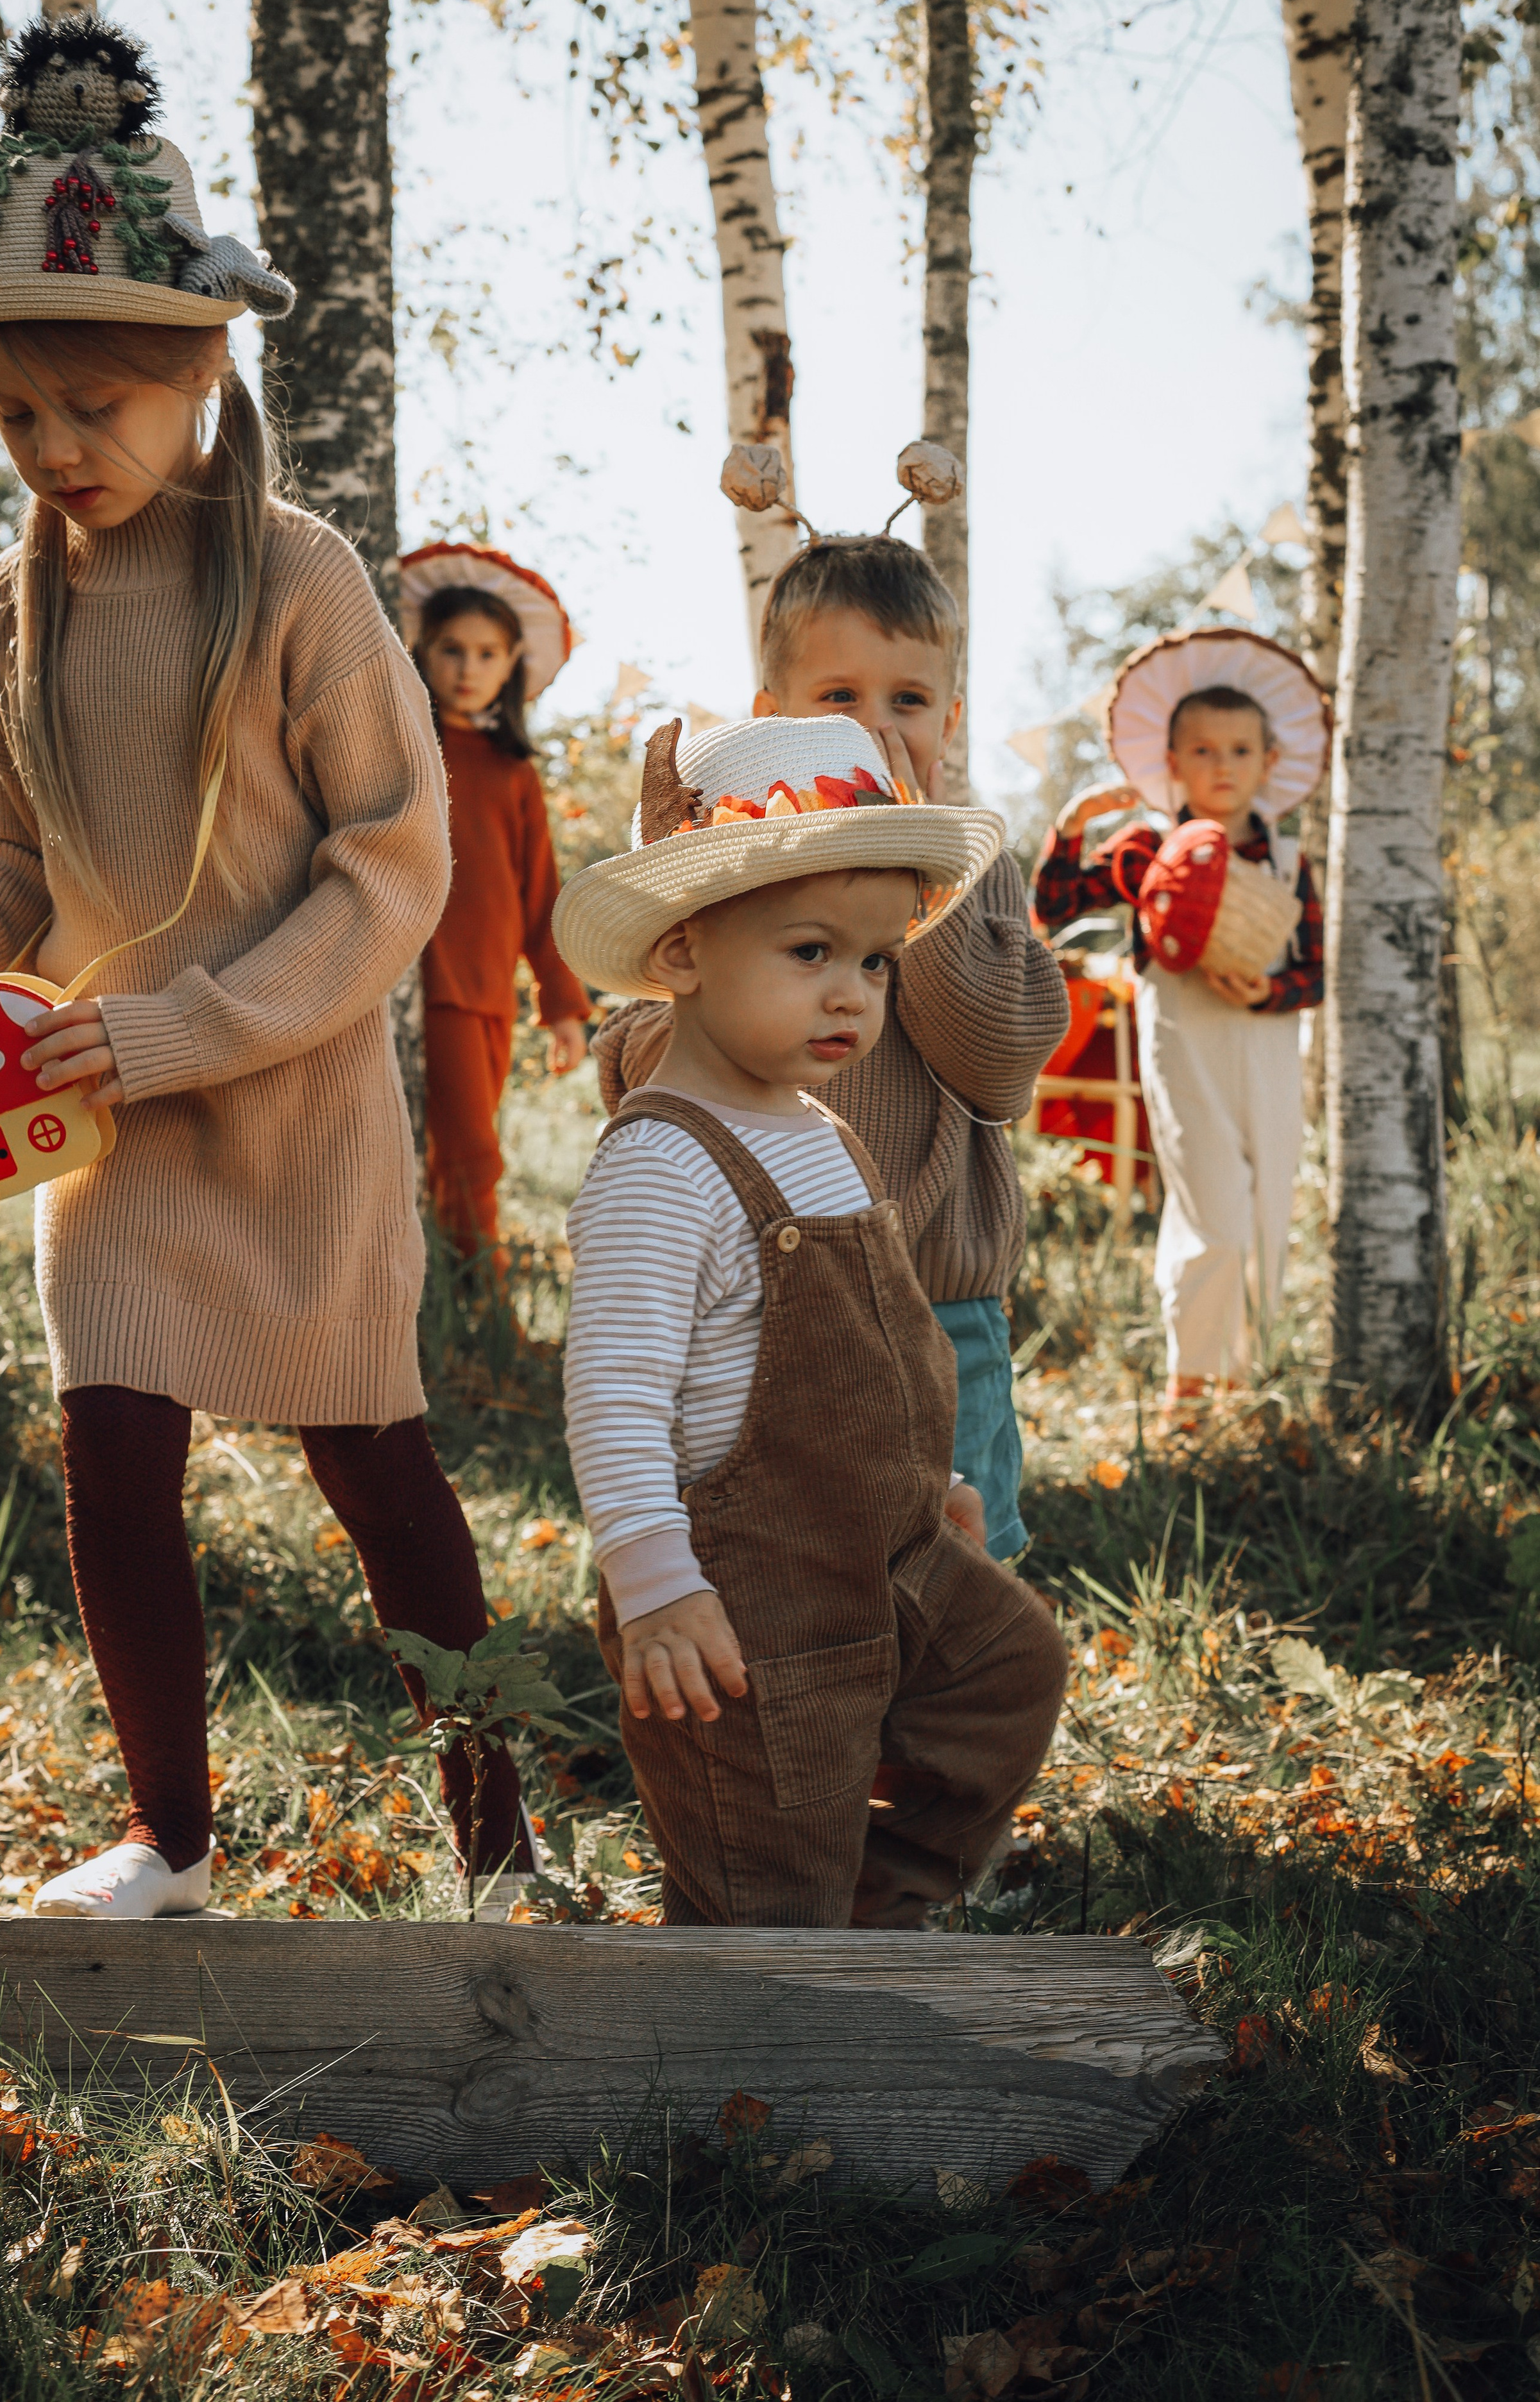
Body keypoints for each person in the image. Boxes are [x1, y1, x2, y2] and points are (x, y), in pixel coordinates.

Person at [0, 15, 529, 1919]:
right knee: (112, 1463)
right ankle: (169, 1839)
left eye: (94, 404)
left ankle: (497, 1838)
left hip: (290, 1104)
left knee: (382, 1477)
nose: (57, 448)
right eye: (17, 416)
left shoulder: (306, 579)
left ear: (195, 370)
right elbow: (19, 861)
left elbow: (388, 867)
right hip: (96, 1123)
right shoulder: (13, 607)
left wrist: (187, 1026)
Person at [553, 713, 1069, 1929]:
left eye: (878, 961)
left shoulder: (819, 1130)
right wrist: (653, 1581)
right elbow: (615, 1395)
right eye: (809, 951)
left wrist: (920, 1468)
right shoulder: (661, 1167)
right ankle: (766, 2034)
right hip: (748, 1608)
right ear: (682, 953)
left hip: (888, 1547)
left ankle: (885, 1917)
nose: (853, 993)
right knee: (765, 1862)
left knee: (1006, 1673)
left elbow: (866, 1344)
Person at [593, 534, 1069, 1563]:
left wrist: (917, 887)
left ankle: (955, 1714)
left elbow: (996, 1057)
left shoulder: (973, 867)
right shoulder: (733, 866)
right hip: (770, 1304)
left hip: (941, 1298)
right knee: (802, 1565)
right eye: (840, 699)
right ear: (774, 723)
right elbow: (638, 1068)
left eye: (909, 702)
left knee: (959, 1570)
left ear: (951, 718)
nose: (877, 730)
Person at [1031, 629, 1328, 1407]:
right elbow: (1055, 907)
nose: (1221, 766)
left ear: (1269, 761)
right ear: (1172, 761)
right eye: (1202, 750)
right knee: (1213, 1215)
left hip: (1266, 1052)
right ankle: (1189, 1387)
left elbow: (1316, 972)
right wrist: (1070, 827)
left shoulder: (1288, 865)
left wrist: (1272, 992)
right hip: (1182, 1054)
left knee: (1264, 1216)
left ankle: (1244, 1384)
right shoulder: (1147, 853)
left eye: (1238, 750)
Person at [398, 545, 591, 1258]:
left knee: (464, 1151)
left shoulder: (512, 772)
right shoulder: (402, 748)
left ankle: (458, 1306)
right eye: (451, 650)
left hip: (488, 992)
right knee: (471, 1156)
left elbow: (540, 895)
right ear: (420, 651)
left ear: (512, 666)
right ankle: (486, 1310)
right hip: (424, 980)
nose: (468, 669)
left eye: (487, 653)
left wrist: (564, 1006)